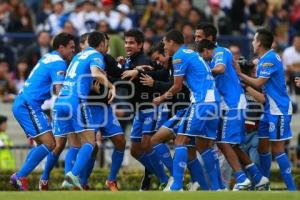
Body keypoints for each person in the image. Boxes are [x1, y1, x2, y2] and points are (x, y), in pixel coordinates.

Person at [195, 23, 269, 191]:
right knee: (231, 144)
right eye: (195, 36)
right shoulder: (207, 56)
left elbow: (220, 69)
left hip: (232, 104)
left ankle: (242, 178)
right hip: (228, 104)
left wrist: (201, 72)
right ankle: (257, 178)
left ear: (210, 39)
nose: (196, 40)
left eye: (199, 37)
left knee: (223, 142)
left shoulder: (220, 52)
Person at [152, 29, 220, 191]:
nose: (164, 47)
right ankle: (217, 188)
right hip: (213, 102)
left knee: (180, 141)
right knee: (204, 146)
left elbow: (177, 86)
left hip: (201, 103)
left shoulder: (179, 56)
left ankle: (176, 186)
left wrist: (160, 99)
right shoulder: (191, 53)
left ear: (171, 42)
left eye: (165, 43)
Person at [10, 33, 75, 191]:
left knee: (43, 143)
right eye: (71, 48)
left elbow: (50, 85)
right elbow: (60, 92)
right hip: (28, 105)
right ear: (61, 47)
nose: (73, 51)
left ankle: (21, 177)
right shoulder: (59, 62)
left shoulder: (48, 57)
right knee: (50, 143)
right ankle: (19, 176)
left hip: (25, 103)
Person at [235, 29, 296, 191]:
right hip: (269, 109)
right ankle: (264, 185)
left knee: (277, 148)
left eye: (254, 40)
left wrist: (240, 75)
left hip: (279, 110)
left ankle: (292, 190)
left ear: (260, 43)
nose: (253, 43)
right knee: (263, 146)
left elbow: (259, 83)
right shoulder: (265, 59)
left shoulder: (269, 59)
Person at [53, 31, 116, 190]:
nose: (106, 47)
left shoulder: (78, 56)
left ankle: (68, 181)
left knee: (74, 144)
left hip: (61, 100)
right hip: (76, 102)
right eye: (105, 44)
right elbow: (96, 73)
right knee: (90, 142)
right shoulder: (96, 55)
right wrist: (111, 86)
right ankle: (73, 175)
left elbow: (77, 78)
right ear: (101, 44)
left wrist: (90, 85)